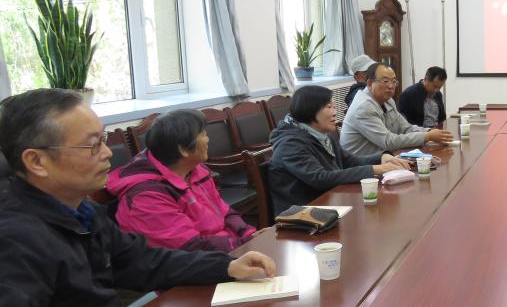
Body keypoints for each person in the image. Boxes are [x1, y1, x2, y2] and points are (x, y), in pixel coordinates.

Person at [0, 89, 276, 307]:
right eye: (93, 145)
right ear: (37, 161)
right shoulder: (14, 236)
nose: (108, 153)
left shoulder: (82, 211)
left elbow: (143, 261)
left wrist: (225, 266)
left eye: (104, 139)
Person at [106, 110, 256, 252]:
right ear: (183, 150)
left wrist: (248, 234)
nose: (208, 139)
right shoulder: (146, 196)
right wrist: (243, 243)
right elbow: (190, 246)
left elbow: (225, 212)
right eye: (202, 134)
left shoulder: (196, 171)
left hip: (226, 249)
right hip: (196, 262)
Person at [269, 85, 410, 215]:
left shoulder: (320, 136)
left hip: (329, 204)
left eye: (334, 107)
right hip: (303, 215)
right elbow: (320, 178)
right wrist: (377, 169)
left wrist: (382, 157)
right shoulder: (290, 144)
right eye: (329, 107)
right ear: (310, 109)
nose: (334, 112)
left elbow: (350, 161)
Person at [340, 63, 453, 157]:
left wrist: (429, 132)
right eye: (385, 81)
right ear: (370, 84)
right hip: (361, 167)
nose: (391, 86)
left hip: (384, 158)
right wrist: (427, 137)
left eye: (394, 81)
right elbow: (388, 141)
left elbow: (405, 128)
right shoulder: (363, 107)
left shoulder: (388, 101)